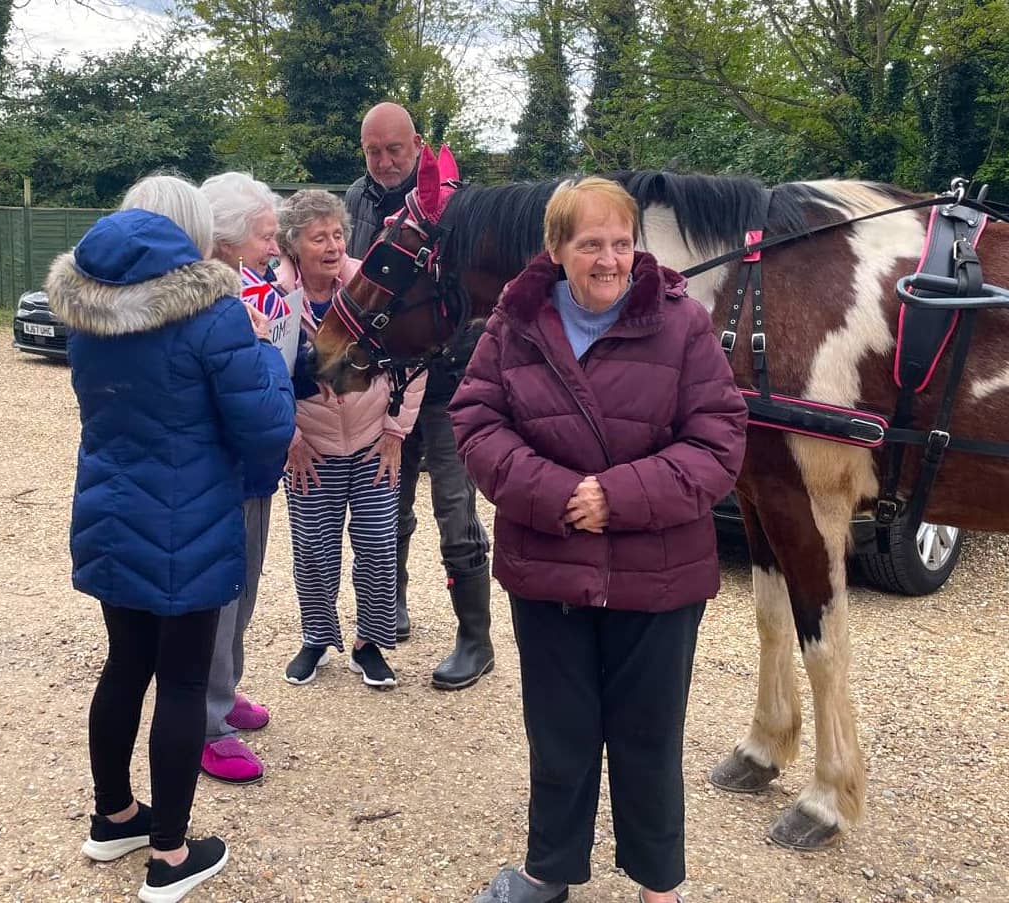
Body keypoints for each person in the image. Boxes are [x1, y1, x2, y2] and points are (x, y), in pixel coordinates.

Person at [450, 177, 748, 903]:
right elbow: (476, 421)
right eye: (591, 244)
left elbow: (719, 439)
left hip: (658, 572)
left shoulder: (681, 323)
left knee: (649, 738)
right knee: (560, 732)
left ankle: (658, 884)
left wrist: (613, 498)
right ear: (556, 250)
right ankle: (551, 867)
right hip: (549, 566)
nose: (610, 259)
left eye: (621, 242)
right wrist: (559, 496)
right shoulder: (514, 321)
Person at [48, 174, 295, 903]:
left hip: (110, 511)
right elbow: (267, 423)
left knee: (125, 665)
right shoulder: (215, 311)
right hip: (189, 519)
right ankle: (171, 853)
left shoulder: (87, 313)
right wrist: (257, 349)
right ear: (189, 231)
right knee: (184, 680)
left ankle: (115, 814)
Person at [346, 100, 494, 690]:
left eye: (394, 150)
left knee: (455, 510)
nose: (383, 162)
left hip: (450, 379)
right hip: (386, 378)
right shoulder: (355, 200)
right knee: (390, 500)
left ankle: (474, 640)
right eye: (372, 152)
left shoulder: (455, 203)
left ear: (417, 145)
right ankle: (394, 606)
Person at [275, 189, 425, 689]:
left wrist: (395, 427)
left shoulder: (374, 285)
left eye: (338, 234)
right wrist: (288, 436)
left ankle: (370, 644)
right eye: (319, 237)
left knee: (380, 544)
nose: (333, 244)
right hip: (309, 448)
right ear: (295, 245)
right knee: (313, 549)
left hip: (371, 443)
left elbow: (415, 354)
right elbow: (260, 374)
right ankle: (317, 638)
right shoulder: (276, 300)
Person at [194, 172, 290, 785]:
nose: (273, 246)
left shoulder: (252, 287)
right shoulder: (211, 300)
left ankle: (224, 692)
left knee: (247, 584)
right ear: (228, 238)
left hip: (255, 469)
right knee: (220, 600)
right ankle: (206, 724)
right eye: (264, 235)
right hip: (223, 469)